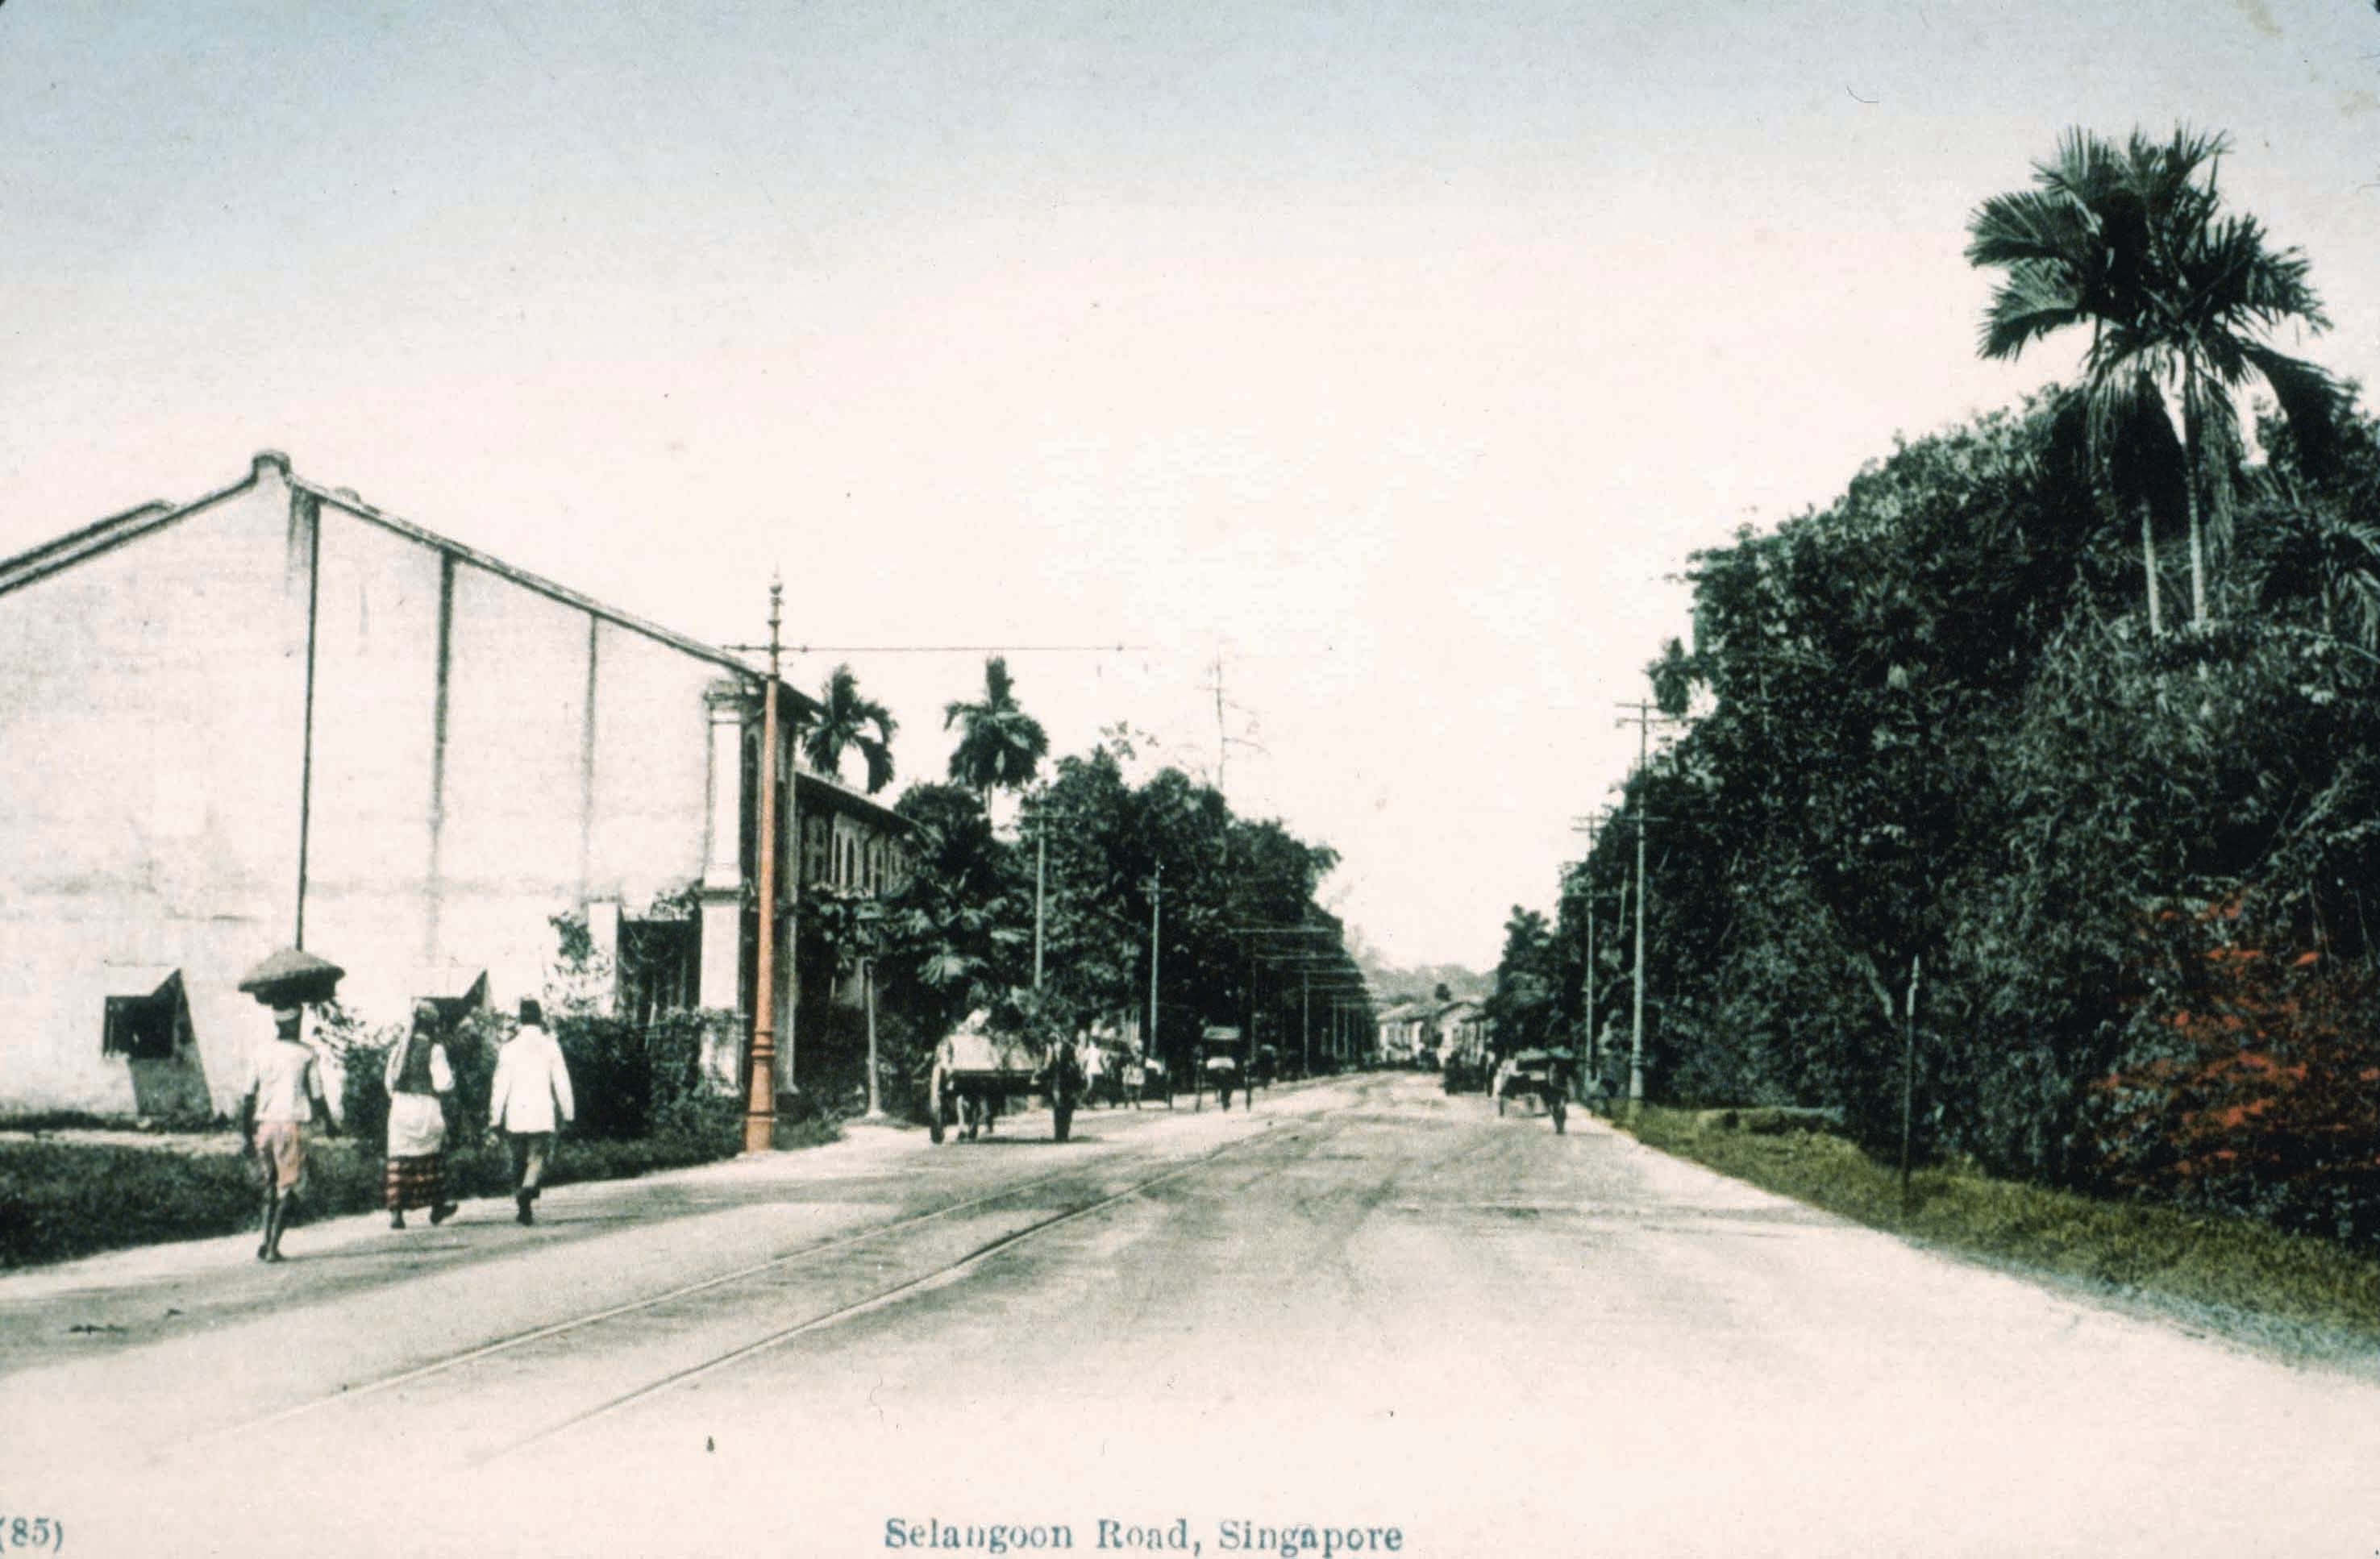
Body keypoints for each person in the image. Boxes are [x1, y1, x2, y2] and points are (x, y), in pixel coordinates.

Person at [239, 1004, 331, 1262]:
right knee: (288, 1188)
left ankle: (265, 1240)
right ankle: (272, 1248)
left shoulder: (260, 1053)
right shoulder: (305, 1053)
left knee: (269, 1186)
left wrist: (247, 1135)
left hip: (264, 1126)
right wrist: (330, 1123)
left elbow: (247, 1098)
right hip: (290, 1126)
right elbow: (317, 1095)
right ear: (295, 1022)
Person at [488, 998, 574, 1225]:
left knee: (518, 1161)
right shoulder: (551, 1045)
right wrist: (568, 1113)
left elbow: (500, 1086)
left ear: (521, 1019)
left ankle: (523, 1203)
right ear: (540, 1018)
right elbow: (562, 1082)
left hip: (515, 1114)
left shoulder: (509, 1048)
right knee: (537, 1157)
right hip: (541, 1113)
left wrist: (494, 1118)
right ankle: (528, 1189)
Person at [383, 1001, 459, 1230]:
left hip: (400, 1107)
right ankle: (437, 1206)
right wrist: (452, 1079)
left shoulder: (399, 1048)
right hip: (426, 1107)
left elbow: (389, 1082)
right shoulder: (435, 1050)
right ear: (432, 1024)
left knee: (399, 1159)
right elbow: (443, 1084)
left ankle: (396, 1213)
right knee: (431, 1159)